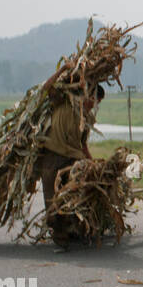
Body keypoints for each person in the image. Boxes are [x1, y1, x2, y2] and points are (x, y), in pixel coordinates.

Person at [37, 83, 104, 243]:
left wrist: (93, 163)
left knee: (72, 196)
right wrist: (63, 69)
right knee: (52, 197)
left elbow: (83, 145)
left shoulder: (87, 119)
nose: (95, 105)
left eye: (98, 103)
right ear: (89, 95)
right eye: (96, 100)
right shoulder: (64, 101)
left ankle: (70, 229)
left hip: (73, 160)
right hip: (52, 157)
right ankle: (58, 234)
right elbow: (46, 88)